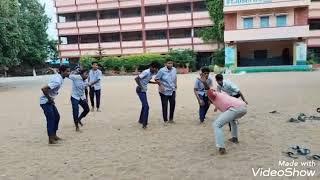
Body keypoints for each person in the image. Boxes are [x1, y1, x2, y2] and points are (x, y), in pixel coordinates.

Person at [207, 89, 247, 155]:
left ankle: (221, 148)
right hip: (243, 107)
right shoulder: (221, 94)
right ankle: (234, 138)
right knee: (232, 120)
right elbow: (221, 99)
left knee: (216, 125)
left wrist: (207, 88)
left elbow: (210, 93)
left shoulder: (214, 97)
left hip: (234, 109)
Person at [40, 65, 71, 144]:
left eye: (69, 71)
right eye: (67, 71)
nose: (69, 73)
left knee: (57, 117)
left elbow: (55, 71)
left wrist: (52, 69)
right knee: (51, 119)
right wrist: (49, 99)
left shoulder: (59, 76)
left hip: (49, 101)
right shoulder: (57, 81)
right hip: (46, 102)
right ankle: (51, 139)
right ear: (62, 72)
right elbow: (44, 89)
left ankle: (54, 135)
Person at [135, 62, 161, 129]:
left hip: (143, 90)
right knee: (146, 107)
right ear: (152, 67)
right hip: (140, 90)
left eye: (157, 69)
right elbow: (137, 78)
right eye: (156, 69)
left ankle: (141, 120)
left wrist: (155, 83)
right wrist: (141, 87)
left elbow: (146, 80)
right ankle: (144, 124)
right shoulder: (146, 72)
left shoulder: (151, 73)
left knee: (144, 106)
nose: (157, 70)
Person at [155, 59, 177, 124]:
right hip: (164, 91)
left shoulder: (174, 69)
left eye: (171, 63)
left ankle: (171, 119)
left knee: (172, 104)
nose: (170, 65)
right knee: (165, 105)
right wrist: (161, 85)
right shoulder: (161, 70)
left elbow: (175, 77)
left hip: (172, 90)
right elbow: (156, 78)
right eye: (168, 63)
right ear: (165, 64)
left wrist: (176, 84)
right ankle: (165, 120)